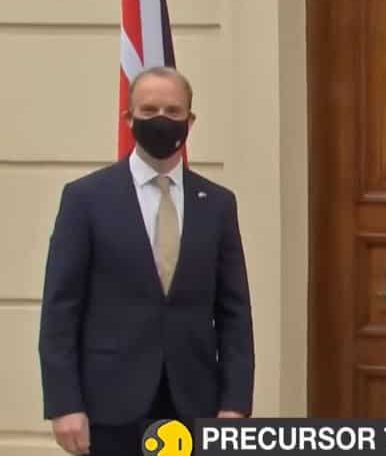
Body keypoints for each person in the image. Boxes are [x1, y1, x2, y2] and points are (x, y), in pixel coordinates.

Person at [38, 66, 255, 455]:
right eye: (149, 110)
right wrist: (64, 403)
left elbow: (234, 312)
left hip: (194, 402)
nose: (161, 119)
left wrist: (235, 403)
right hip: (109, 406)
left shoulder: (218, 204)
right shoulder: (86, 199)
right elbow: (61, 309)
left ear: (190, 120)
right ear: (129, 118)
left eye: (173, 111)